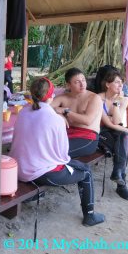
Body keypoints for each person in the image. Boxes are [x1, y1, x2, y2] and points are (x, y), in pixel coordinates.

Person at [9, 77, 105, 227]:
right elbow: (62, 155)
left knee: (56, 162)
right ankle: (90, 215)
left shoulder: (23, 112)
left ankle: (32, 195)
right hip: (38, 172)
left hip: (18, 168)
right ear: (52, 96)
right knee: (85, 172)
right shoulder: (56, 119)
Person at [97, 67, 128, 201]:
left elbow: (117, 122)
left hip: (116, 131)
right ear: (107, 84)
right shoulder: (98, 99)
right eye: (117, 82)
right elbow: (108, 123)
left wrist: (117, 103)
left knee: (125, 139)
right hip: (101, 133)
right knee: (126, 141)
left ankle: (118, 173)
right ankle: (121, 183)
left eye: (121, 82)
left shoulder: (122, 99)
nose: (121, 85)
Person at [51, 68, 102, 158]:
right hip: (66, 134)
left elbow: (87, 121)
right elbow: (45, 109)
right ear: (68, 85)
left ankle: (82, 170)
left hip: (88, 137)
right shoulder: (63, 97)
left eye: (83, 80)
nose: (82, 84)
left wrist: (65, 111)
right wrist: (58, 113)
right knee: (45, 147)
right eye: (77, 82)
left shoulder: (94, 98)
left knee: (56, 152)